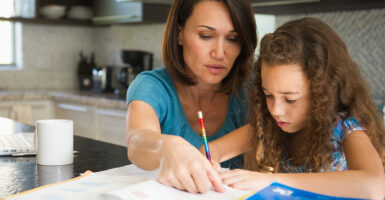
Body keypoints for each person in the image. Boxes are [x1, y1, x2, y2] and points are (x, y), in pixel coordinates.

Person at [205, 17, 385, 199]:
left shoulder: (346, 126)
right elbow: (212, 150)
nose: (276, 110)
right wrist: (207, 163)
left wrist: (271, 181)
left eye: (290, 99)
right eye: (268, 95)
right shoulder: (271, 124)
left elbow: (375, 185)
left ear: (324, 93)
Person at [125, 0, 257, 194]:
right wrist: (166, 146)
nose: (219, 53)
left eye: (233, 39)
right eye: (206, 36)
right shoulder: (152, 86)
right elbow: (136, 142)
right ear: (180, 33)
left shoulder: (252, 89)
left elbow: (273, 136)